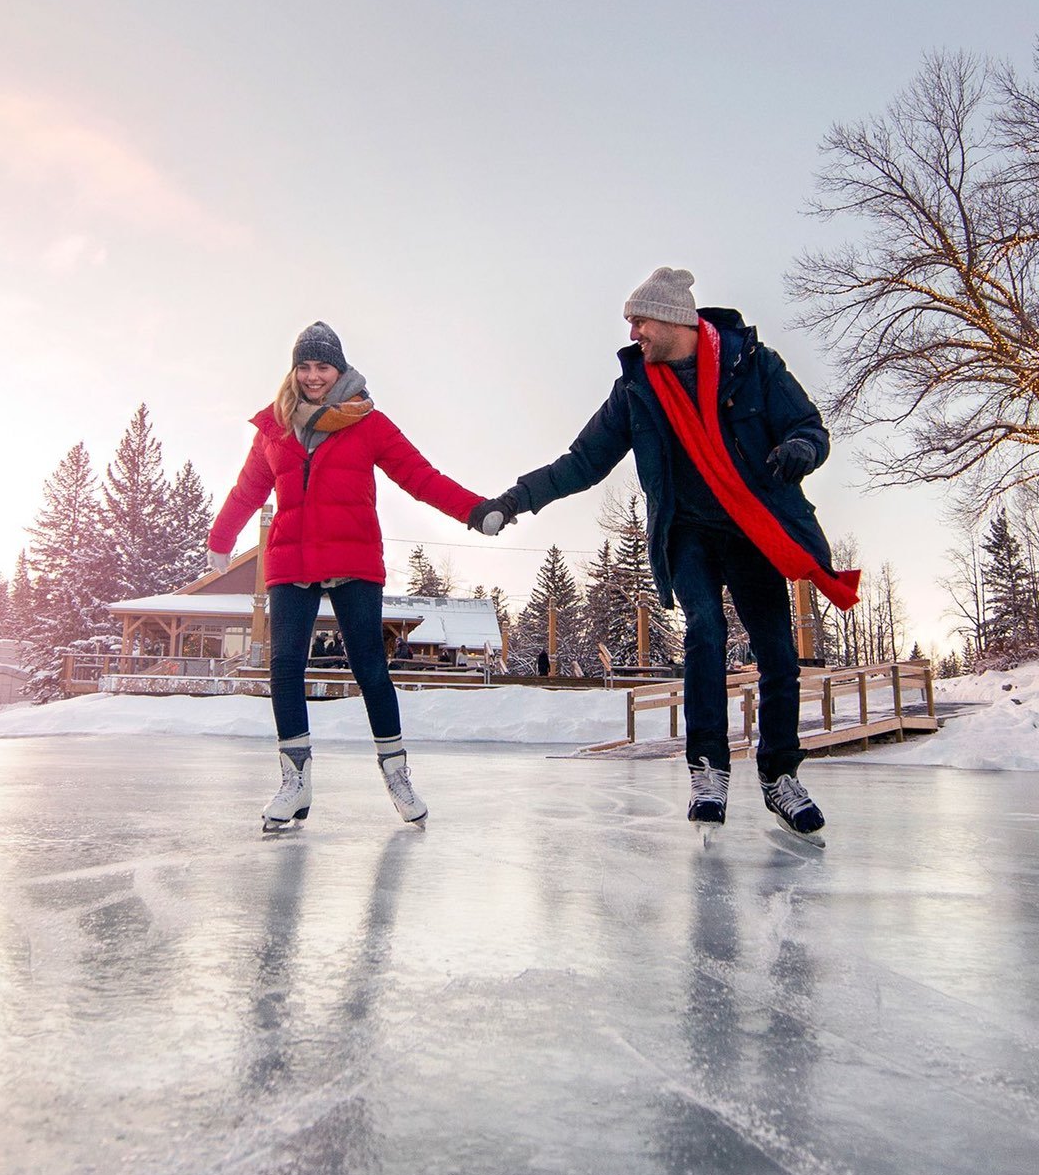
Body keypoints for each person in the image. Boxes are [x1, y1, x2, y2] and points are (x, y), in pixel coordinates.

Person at [468, 268, 857, 838]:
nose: (633, 333)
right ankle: (707, 768)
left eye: (639, 319)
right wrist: (513, 500)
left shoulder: (754, 365)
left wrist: (800, 448)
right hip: (688, 531)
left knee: (777, 651)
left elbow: (809, 425)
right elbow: (582, 461)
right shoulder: (636, 389)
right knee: (705, 629)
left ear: (675, 318)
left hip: (753, 525)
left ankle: (779, 776)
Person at [207, 322, 488, 834]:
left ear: (340, 369)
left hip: (354, 558)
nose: (313, 376)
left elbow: (420, 477)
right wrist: (219, 539)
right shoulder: (275, 426)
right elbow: (247, 489)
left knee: (370, 669)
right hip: (291, 561)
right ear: (294, 371)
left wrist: (475, 511)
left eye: (323, 366)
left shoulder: (369, 423)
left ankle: (397, 775)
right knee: (286, 667)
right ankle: (295, 780)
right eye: (305, 367)